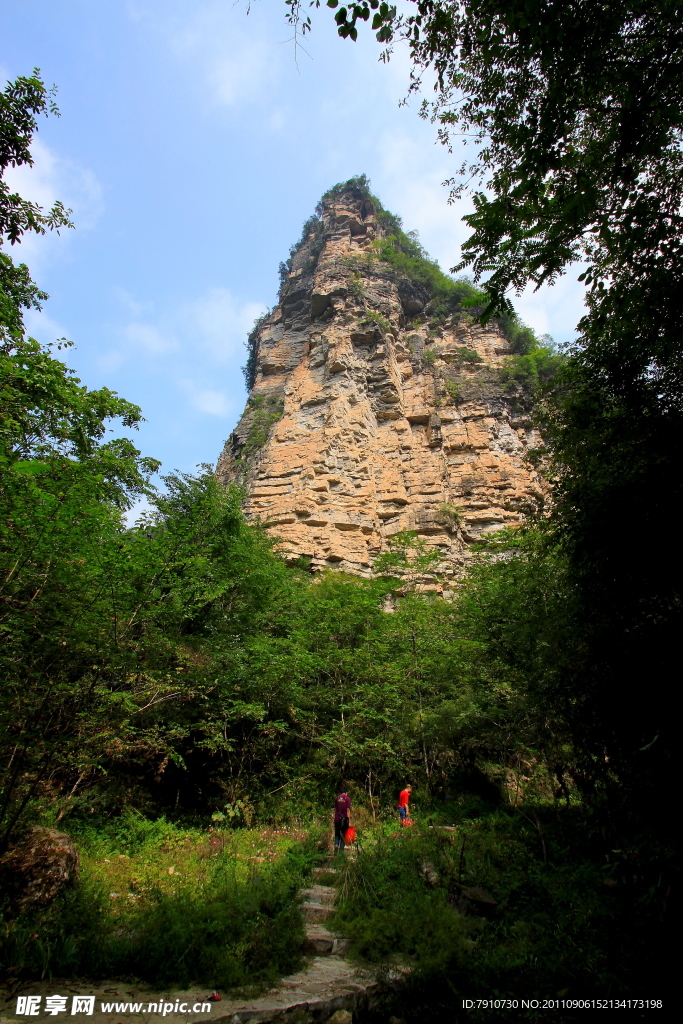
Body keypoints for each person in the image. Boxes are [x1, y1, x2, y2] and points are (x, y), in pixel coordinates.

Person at [333, 788, 351, 852]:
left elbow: (335, 808)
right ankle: (341, 851)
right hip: (344, 819)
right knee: (343, 834)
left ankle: (336, 844)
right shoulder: (347, 799)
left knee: (337, 833)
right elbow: (348, 810)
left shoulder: (337, 798)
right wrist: (349, 820)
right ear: (346, 792)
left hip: (337, 819)